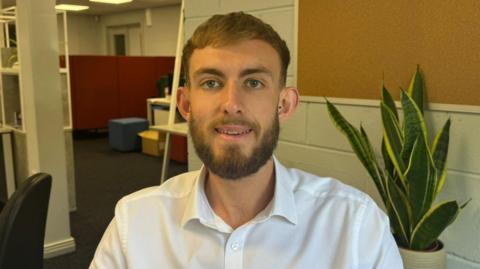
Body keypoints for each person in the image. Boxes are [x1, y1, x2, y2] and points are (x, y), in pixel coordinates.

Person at [90, 12, 403, 269]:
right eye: (211, 82)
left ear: (284, 104)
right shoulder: (135, 223)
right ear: (185, 105)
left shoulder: (356, 226)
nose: (231, 103)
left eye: (254, 82)